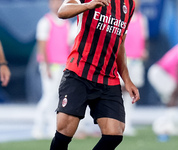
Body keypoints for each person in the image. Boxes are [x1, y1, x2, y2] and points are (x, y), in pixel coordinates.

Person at [50, 0, 140, 150]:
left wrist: (127, 79)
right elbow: (62, 11)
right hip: (79, 73)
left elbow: (120, 43)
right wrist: (88, 6)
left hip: (108, 78)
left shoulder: (129, 4)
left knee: (114, 133)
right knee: (64, 131)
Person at [32, 0, 72, 139]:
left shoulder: (66, 23)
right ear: (50, 4)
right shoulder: (45, 22)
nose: (57, 5)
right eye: (55, 2)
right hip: (50, 66)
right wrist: (46, 67)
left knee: (57, 98)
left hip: (62, 66)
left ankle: (51, 128)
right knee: (48, 97)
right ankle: (37, 127)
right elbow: (42, 46)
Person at [122, 0, 149, 136]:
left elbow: (144, 38)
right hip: (122, 61)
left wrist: (144, 50)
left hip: (136, 61)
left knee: (132, 93)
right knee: (119, 91)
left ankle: (128, 123)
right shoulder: (121, 15)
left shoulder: (142, 19)